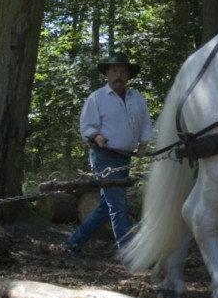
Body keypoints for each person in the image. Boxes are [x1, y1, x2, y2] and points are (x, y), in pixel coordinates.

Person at [65, 51, 153, 257]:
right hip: (104, 157)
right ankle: (129, 254)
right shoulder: (97, 98)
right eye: (114, 71)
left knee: (108, 206)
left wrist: (143, 144)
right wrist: (96, 136)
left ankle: (74, 242)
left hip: (124, 158)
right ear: (107, 73)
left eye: (123, 71)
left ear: (128, 75)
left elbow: (145, 122)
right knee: (119, 205)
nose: (118, 75)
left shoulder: (137, 97)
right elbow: (86, 125)